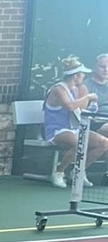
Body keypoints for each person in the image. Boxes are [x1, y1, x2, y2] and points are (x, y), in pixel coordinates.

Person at [42, 56, 107, 186]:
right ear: (76, 76)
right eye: (82, 74)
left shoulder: (77, 89)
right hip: (56, 130)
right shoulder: (58, 89)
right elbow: (70, 106)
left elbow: (81, 108)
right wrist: (88, 96)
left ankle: (78, 172)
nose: (84, 76)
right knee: (79, 144)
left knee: (104, 143)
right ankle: (59, 172)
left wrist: (88, 99)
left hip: (75, 129)